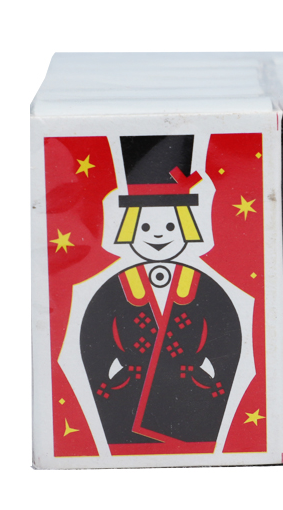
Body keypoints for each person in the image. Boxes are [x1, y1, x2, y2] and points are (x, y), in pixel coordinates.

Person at [80, 135, 241, 445]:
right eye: (145, 227)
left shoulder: (204, 286)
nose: (157, 235)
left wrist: (211, 385)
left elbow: (228, 338)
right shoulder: (115, 288)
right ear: (129, 230)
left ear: (186, 229)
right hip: (127, 402)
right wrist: (110, 387)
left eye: (169, 227)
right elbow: (93, 341)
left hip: (194, 401)